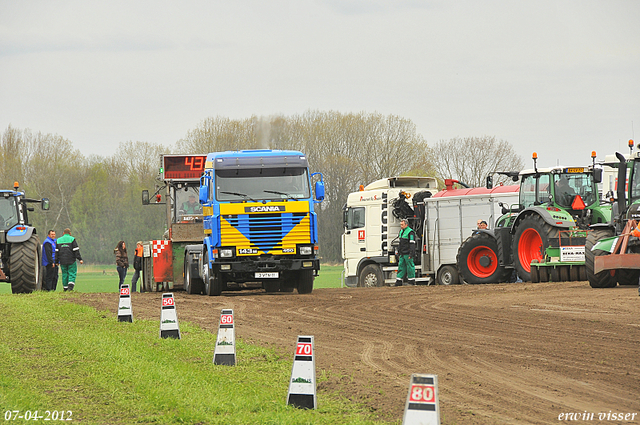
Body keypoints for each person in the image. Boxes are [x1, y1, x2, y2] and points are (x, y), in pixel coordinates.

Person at [395, 218, 416, 286]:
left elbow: (412, 244)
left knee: (410, 266)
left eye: (402, 224)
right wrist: (398, 251)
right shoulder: (401, 232)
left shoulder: (410, 232)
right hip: (402, 253)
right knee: (401, 266)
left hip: (407, 253)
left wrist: (411, 253)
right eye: (400, 224)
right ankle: (399, 281)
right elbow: (400, 243)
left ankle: (411, 281)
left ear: (406, 224)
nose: (401, 226)